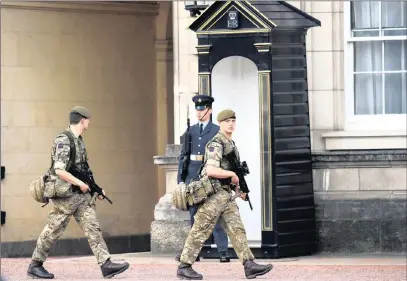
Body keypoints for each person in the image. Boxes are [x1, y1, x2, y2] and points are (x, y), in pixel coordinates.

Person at [27, 106, 130, 279]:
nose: (89, 122)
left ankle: (106, 264)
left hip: (79, 197)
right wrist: (80, 183)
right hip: (65, 196)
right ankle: (35, 265)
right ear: (82, 120)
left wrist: (96, 188)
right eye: (87, 120)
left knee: (92, 227)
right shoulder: (64, 140)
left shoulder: (79, 140)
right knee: (53, 230)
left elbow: (83, 170)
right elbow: (59, 170)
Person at [176, 109, 273, 280]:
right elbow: (211, 170)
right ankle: (184, 266)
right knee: (200, 229)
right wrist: (231, 175)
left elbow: (232, 171)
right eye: (227, 121)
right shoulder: (216, 143)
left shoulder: (230, 143)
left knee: (237, 229)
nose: (231, 124)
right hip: (214, 195)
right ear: (220, 123)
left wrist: (239, 189)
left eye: (233, 120)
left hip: (225, 195)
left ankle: (249, 264)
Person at [176, 95, 230, 263]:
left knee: (216, 214)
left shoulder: (216, 130)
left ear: (210, 110)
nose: (199, 113)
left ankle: (223, 252)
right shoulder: (191, 130)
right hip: (193, 176)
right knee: (194, 216)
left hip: (210, 175)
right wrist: (181, 179)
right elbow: (183, 156)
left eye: (202, 110)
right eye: (197, 110)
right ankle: (194, 252)